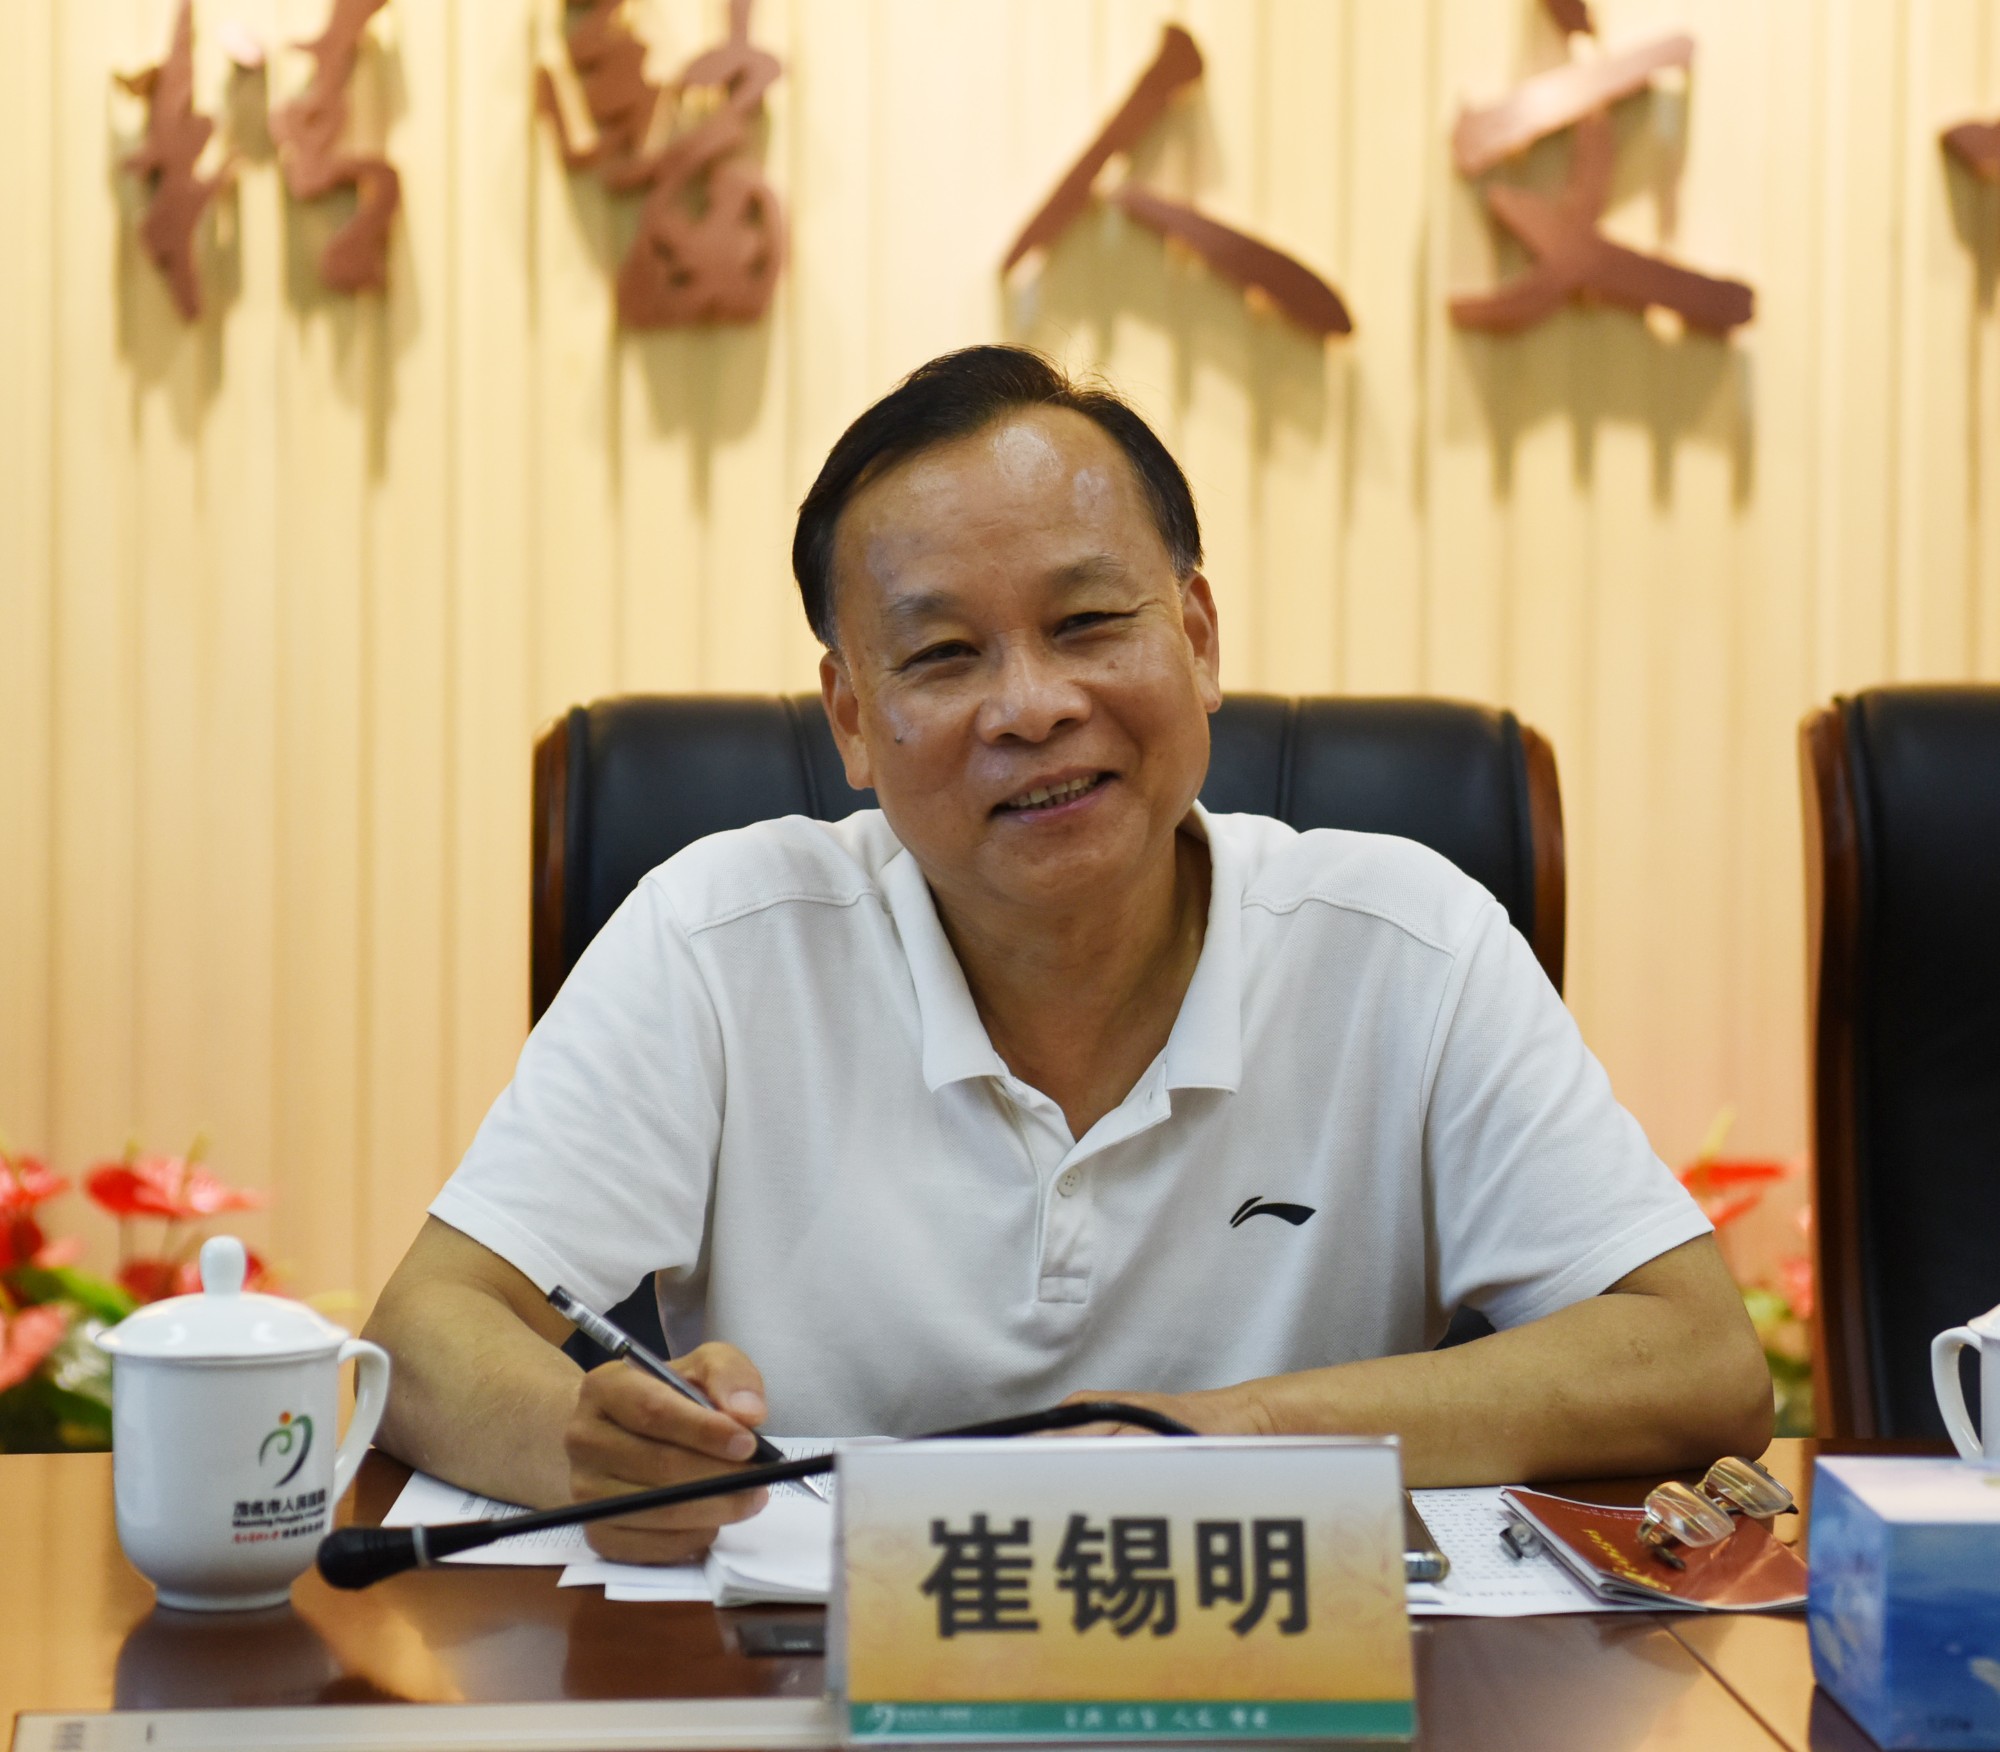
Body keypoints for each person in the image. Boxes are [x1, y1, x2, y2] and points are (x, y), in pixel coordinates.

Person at [365, 345, 1771, 1565]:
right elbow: (428, 1331)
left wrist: (1221, 1436)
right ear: (850, 720)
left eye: (1090, 624)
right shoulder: (718, 940)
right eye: (944, 655)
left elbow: (1697, 1356)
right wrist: (591, 1447)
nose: (1032, 707)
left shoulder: (1407, 943)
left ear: (1198, 638)